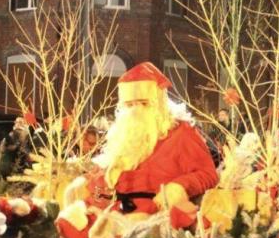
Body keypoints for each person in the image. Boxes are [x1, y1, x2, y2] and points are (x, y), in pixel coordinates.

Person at [93, 62, 219, 215]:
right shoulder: (123, 137)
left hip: (158, 219)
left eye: (144, 103)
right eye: (129, 104)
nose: (135, 111)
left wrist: (178, 187)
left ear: (159, 104)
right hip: (115, 214)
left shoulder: (181, 132)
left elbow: (208, 174)